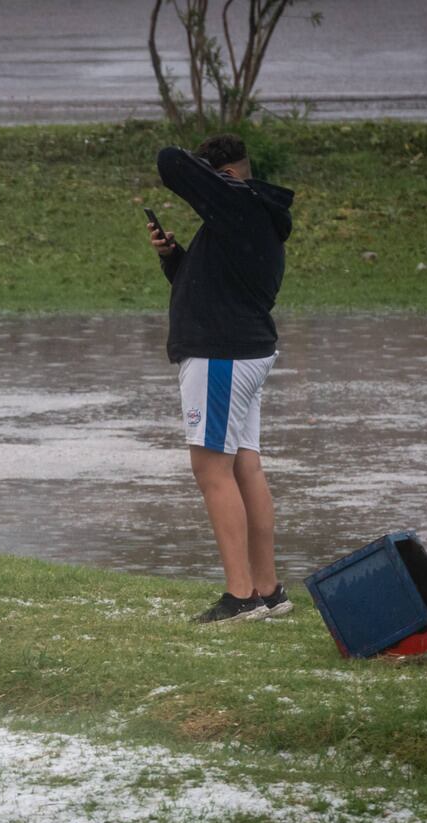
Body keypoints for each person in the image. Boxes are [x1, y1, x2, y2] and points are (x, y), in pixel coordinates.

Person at [150, 134, 296, 624]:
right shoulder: (252, 218)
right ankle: (268, 590)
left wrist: (206, 173)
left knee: (211, 470)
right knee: (243, 467)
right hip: (243, 353)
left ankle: (240, 598)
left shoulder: (238, 201)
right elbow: (214, 287)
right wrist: (174, 257)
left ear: (226, 177)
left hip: (221, 357)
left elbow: (169, 161)